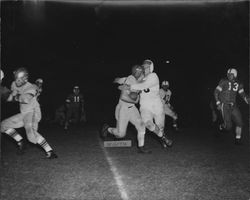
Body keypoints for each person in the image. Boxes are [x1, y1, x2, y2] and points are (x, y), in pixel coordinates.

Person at [0, 67, 58, 158]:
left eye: (19, 79)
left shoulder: (31, 87)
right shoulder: (14, 84)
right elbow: (10, 97)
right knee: (3, 125)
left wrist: (14, 97)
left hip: (33, 113)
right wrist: (7, 94)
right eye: (16, 78)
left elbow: (26, 99)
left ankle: (50, 151)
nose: (17, 81)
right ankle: (21, 142)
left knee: (31, 136)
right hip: (23, 113)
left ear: (25, 79)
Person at [101, 65, 151, 154]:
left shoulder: (139, 80)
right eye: (139, 72)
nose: (141, 74)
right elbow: (123, 97)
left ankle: (141, 147)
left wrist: (118, 80)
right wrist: (135, 100)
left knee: (141, 125)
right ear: (135, 73)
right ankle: (107, 129)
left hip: (132, 109)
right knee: (120, 134)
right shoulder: (131, 79)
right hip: (123, 108)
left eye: (142, 72)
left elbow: (119, 80)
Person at [127, 59, 173, 149]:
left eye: (147, 67)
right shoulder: (139, 78)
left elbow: (143, 86)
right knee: (148, 124)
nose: (145, 68)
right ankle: (163, 137)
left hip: (156, 105)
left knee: (160, 127)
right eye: (143, 67)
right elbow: (132, 87)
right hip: (145, 106)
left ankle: (162, 136)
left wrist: (130, 86)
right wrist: (126, 85)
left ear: (151, 68)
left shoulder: (153, 76)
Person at [214, 68, 249, 145]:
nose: (229, 76)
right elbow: (216, 92)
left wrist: (246, 98)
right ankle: (219, 127)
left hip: (233, 105)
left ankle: (238, 140)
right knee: (228, 127)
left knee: (240, 123)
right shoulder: (224, 81)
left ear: (235, 75)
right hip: (224, 105)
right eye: (228, 74)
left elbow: (242, 93)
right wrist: (218, 103)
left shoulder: (239, 83)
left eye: (231, 74)